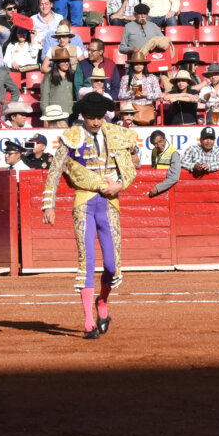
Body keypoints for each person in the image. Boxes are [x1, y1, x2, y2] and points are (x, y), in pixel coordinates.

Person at [41, 94, 138, 339]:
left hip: (109, 202)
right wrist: (48, 205)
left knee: (113, 266)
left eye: (99, 117)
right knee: (86, 261)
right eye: (90, 118)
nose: (95, 122)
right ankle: (87, 322)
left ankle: (102, 302)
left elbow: (133, 160)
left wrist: (121, 183)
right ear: (83, 116)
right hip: (84, 201)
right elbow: (54, 172)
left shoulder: (117, 134)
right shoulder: (71, 137)